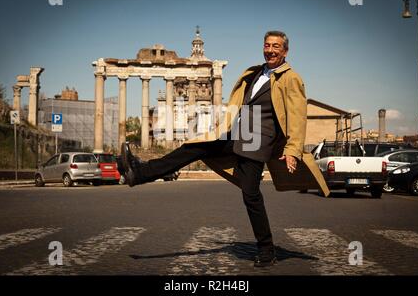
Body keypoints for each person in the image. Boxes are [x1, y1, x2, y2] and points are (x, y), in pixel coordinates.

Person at [121, 31, 329, 267]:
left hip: (258, 141)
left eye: (276, 46)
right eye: (267, 45)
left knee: (250, 195)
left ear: (285, 51)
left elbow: (297, 116)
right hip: (237, 133)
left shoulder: (291, 78)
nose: (270, 50)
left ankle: (266, 250)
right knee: (195, 147)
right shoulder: (256, 72)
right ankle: (139, 172)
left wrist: (292, 149)